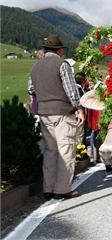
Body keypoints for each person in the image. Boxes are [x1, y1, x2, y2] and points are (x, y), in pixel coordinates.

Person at [28, 35, 85, 200]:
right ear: (59, 50)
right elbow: (71, 90)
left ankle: (48, 189)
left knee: (50, 151)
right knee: (65, 149)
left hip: (45, 114)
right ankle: (62, 189)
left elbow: (31, 90)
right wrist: (79, 108)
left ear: (46, 50)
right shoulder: (62, 65)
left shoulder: (35, 67)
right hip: (62, 112)